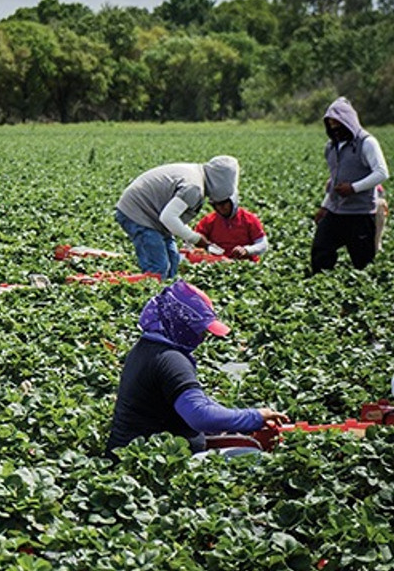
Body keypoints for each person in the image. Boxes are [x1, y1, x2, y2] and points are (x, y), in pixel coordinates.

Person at [104, 280, 287, 457]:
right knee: (253, 456)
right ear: (180, 322)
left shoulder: (145, 348)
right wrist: (254, 416)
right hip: (153, 463)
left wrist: (242, 421)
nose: (202, 337)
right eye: (198, 329)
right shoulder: (172, 361)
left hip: (129, 454)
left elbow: (200, 406)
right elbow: (200, 415)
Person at [114, 156, 239, 279]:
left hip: (154, 217)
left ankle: (168, 294)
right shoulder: (194, 187)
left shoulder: (197, 176)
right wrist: (196, 239)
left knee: (173, 260)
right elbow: (168, 218)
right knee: (158, 267)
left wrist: (192, 236)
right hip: (138, 213)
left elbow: (172, 216)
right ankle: (151, 294)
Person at [311, 97, 389, 273]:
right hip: (336, 211)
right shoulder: (331, 147)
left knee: (363, 263)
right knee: (320, 250)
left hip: (360, 213)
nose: (334, 129)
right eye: (330, 125)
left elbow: (381, 172)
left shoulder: (366, 143)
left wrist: (354, 188)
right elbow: (333, 180)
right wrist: (324, 206)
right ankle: (322, 286)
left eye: (338, 125)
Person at [193, 198, 268, 261]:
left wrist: (246, 250)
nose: (221, 207)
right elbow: (195, 238)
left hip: (245, 264)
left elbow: (263, 244)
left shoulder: (249, 219)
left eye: (224, 203)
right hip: (218, 263)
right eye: (217, 204)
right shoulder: (209, 220)